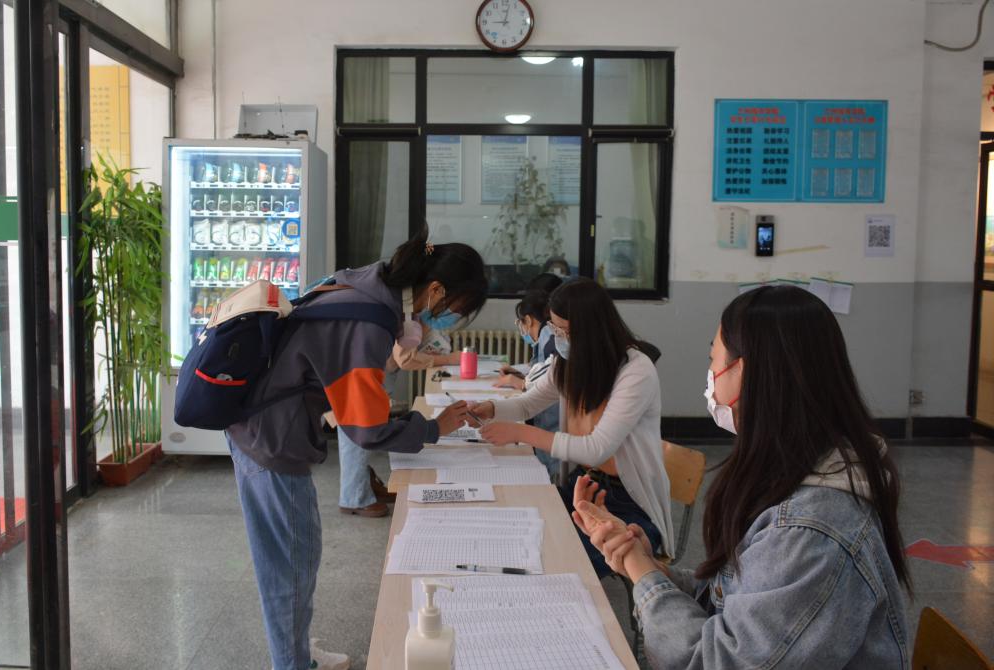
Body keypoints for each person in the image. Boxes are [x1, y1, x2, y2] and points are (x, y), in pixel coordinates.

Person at [573, 285, 911, 668]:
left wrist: (641, 569)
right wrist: (648, 565)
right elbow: (734, 600)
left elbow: (715, 661)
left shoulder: (812, 530)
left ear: (744, 372)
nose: (710, 376)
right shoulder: (791, 473)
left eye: (713, 360)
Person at [226, 228, 487, 670]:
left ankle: (296, 653)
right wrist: (432, 428)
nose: (446, 318)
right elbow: (366, 429)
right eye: (454, 309)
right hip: (270, 435)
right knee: (290, 564)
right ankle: (292, 663)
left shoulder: (368, 283)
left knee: (296, 555)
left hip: (264, 423)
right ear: (437, 290)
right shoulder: (371, 319)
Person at [468, 278, 675, 576]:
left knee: (561, 562)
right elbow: (528, 404)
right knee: (524, 531)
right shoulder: (569, 362)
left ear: (592, 330)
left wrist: (521, 433)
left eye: (565, 331)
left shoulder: (636, 371)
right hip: (585, 485)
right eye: (555, 329)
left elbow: (596, 448)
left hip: (629, 502)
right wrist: (491, 408)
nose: (559, 338)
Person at [337, 325, 461, 517]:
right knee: (357, 432)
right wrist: (448, 359)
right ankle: (355, 497)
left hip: (374, 368)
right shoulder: (404, 312)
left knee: (361, 431)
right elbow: (405, 358)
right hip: (363, 370)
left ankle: (362, 487)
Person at [493, 288, 562, 477]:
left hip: (552, 425)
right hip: (547, 423)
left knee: (549, 474)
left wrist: (522, 382)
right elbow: (540, 371)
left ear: (529, 320)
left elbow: (545, 379)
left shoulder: (550, 337)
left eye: (521, 323)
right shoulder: (549, 337)